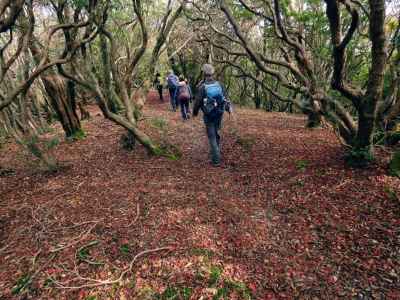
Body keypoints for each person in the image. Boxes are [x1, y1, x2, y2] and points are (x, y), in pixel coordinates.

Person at [193, 64, 231, 167]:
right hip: (219, 112)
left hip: (208, 114)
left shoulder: (202, 87)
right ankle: (216, 151)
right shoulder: (220, 84)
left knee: (211, 136)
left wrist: (195, 112)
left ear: (204, 74)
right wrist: (228, 109)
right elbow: (226, 98)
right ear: (212, 73)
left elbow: (197, 102)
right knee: (216, 132)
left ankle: (216, 160)